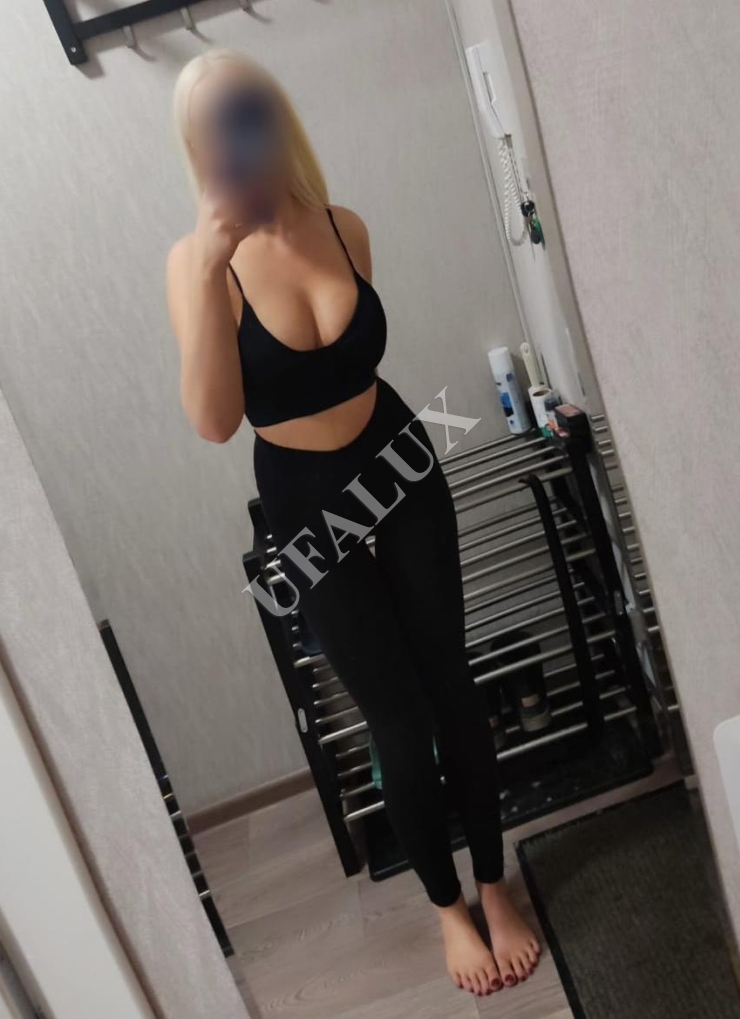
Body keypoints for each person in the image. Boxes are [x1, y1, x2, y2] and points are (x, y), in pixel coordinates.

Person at [165, 48, 540, 997]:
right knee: (397, 718)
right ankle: (447, 908)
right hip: (304, 502)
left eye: (250, 107)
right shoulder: (195, 265)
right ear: (196, 144)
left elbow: (357, 365)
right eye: (215, 120)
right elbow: (213, 422)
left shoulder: (344, 226)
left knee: (453, 686)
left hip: (399, 462)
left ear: (276, 113)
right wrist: (209, 264)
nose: (238, 130)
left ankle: (494, 885)